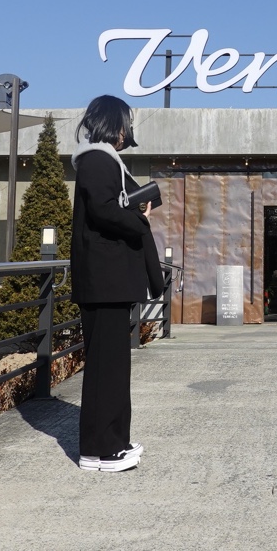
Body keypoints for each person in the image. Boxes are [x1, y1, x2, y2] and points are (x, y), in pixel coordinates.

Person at [70, 95, 163, 472]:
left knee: (112, 365)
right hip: (104, 279)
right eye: (125, 123)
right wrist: (139, 219)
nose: (127, 131)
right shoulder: (96, 158)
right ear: (112, 123)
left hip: (108, 279)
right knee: (106, 367)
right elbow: (104, 209)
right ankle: (100, 451)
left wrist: (137, 209)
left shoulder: (101, 158)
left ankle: (114, 442)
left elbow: (108, 205)